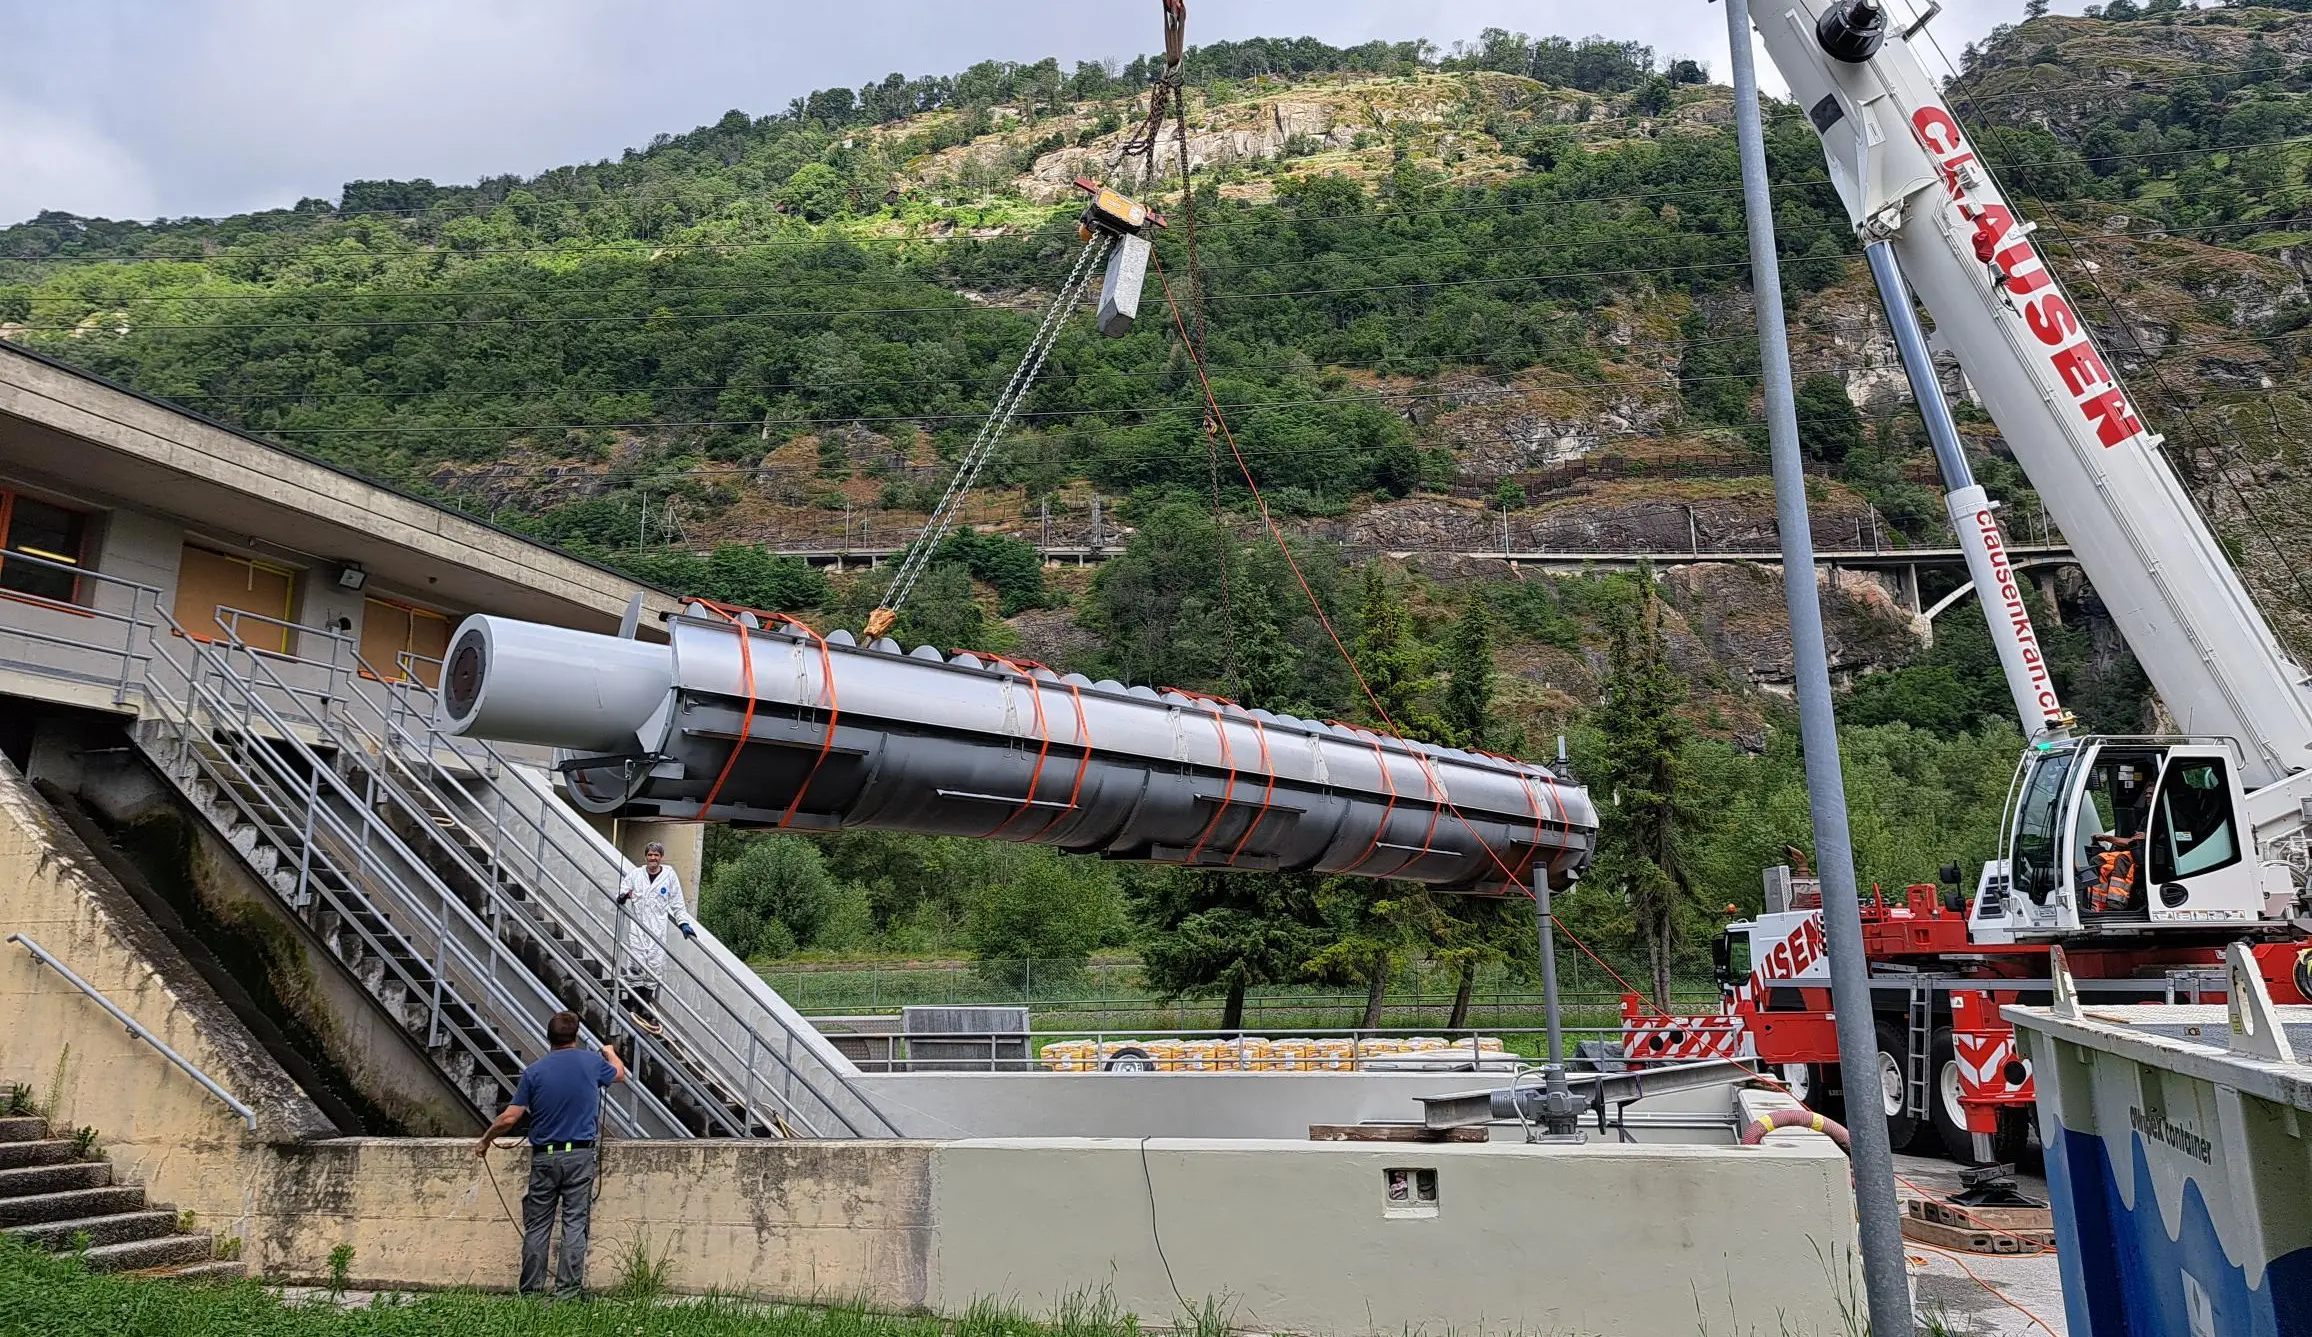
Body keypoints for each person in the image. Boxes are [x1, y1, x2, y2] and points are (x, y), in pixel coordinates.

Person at [474, 1010, 627, 1300]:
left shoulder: (534, 1072)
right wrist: (609, 1053)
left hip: (544, 1157)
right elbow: (619, 1074)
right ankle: (568, 1291)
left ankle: (531, 1291)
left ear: (549, 1037)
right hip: (579, 1155)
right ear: (576, 1036)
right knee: (575, 1223)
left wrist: (485, 1141)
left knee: (538, 1225)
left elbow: (509, 1118)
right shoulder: (592, 1063)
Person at [615, 840, 696, 1035]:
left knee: (654, 967)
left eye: (656, 855)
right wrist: (623, 896)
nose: (653, 858)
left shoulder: (669, 876)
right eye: (650, 855)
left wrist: (683, 923)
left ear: (661, 857)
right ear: (646, 857)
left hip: (657, 930)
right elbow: (622, 890)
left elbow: (677, 903)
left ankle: (645, 1005)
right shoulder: (636, 875)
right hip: (638, 928)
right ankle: (633, 1004)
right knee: (635, 965)